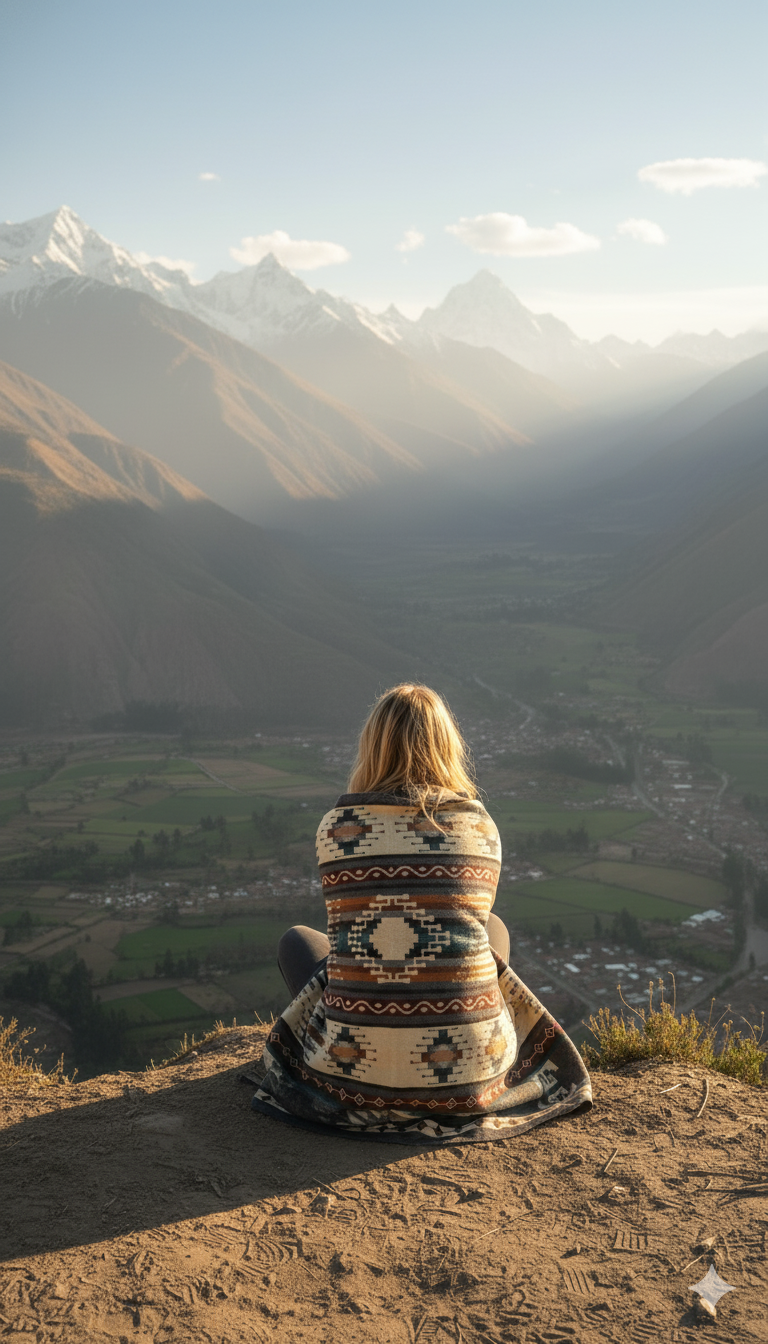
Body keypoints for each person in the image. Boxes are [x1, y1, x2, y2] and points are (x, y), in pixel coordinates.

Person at [251, 684, 591, 1143]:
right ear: (447, 746)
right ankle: (468, 1045)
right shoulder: (479, 827)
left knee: (298, 941)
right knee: (490, 930)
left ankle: (362, 1048)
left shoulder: (338, 828)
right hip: (469, 1080)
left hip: (351, 1076)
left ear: (373, 746)